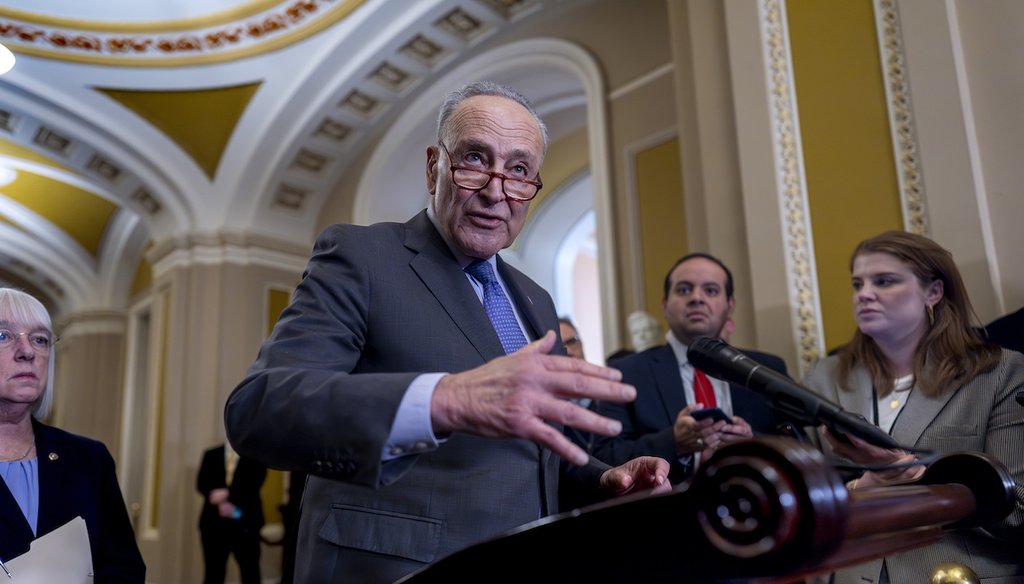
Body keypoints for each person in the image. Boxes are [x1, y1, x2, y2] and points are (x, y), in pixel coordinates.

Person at [224, 81, 670, 583]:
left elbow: (540, 451)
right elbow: (259, 408)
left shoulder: (536, 299)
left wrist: (603, 481)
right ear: (434, 166)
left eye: (520, 170)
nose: (497, 192)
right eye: (476, 160)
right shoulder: (361, 256)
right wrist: (446, 400)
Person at [802, 231, 1024, 583]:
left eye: (884, 281)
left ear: (933, 292)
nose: (864, 295)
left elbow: (1019, 512)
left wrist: (918, 477)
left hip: (953, 573)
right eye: (857, 284)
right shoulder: (823, 379)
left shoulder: (1000, 372)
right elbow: (800, 502)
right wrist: (862, 489)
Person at [592, 253, 788, 485]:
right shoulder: (626, 373)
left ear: (730, 305)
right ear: (665, 305)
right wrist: (673, 442)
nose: (697, 298)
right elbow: (602, 458)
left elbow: (801, 449)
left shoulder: (766, 369)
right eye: (684, 290)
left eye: (711, 291)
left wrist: (753, 443)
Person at [0, 287, 146, 580]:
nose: (28, 351)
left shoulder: (89, 459)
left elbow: (124, 569)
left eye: (40, 339)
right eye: (2, 335)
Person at [196, 441, 267, 584]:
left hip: (245, 523)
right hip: (214, 524)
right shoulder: (211, 454)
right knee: (213, 573)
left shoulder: (256, 455)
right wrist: (220, 502)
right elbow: (201, 483)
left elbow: (255, 482)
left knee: (250, 573)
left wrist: (228, 494)